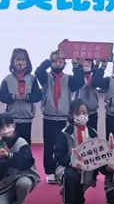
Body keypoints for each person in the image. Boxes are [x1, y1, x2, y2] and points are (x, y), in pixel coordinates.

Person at [36, 51, 85, 184]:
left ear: (64, 63)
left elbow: (79, 82)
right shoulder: (46, 77)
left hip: (64, 117)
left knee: (63, 145)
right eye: (55, 61)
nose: (58, 63)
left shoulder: (68, 79)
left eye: (61, 61)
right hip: (49, 116)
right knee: (48, 145)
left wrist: (76, 66)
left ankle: (61, 169)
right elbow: (38, 72)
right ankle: (50, 171)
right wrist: (48, 61)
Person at [54, 99, 99, 204]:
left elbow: (98, 153)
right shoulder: (64, 133)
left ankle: (70, 190)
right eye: (78, 113)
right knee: (71, 175)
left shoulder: (93, 133)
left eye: (84, 113)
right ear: (71, 115)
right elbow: (59, 155)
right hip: (68, 167)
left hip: (87, 169)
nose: (82, 116)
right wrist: (73, 162)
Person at [0, 113, 40, 204]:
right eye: (2, 128)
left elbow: (27, 161)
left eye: (8, 126)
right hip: (6, 183)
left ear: (13, 126)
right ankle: (12, 197)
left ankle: (20, 203)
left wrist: (9, 156)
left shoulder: (21, 142)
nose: (6, 130)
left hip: (23, 176)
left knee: (24, 183)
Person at [0, 48, 42, 144]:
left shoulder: (32, 79)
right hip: (11, 119)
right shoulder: (7, 79)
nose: (20, 62)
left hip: (26, 118)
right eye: (17, 60)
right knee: (11, 144)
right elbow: (1, 96)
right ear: (13, 62)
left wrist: (27, 97)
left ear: (27, 62)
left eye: (23, 60)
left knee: (25, 144)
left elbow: (38, 95)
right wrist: (13, 97)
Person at [72, 58, 106, 132]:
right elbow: (76, 74)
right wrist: (75, 64)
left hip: (92, 111)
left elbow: (97, 78)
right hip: (79, 112)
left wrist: (99, 65)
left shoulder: (94, 76)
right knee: (79, 133)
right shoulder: (78, 75)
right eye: (84, 62)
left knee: (92, 134)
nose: (86, 64)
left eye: (89, 62)